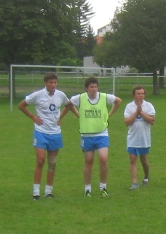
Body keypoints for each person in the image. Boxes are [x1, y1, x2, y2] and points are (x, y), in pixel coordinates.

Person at [65, 77, 121, 197]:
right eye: (91, 87)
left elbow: (118, 101)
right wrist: (77, 114)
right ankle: (87, 189)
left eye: (95, 87)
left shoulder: (104, 97)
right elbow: (68, 104)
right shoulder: (80, 98)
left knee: (103, 159)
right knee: (88, 161)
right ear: (86, 88)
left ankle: (103, 187)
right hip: (87, 135)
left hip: (102, 134)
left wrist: (109, 114)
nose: (94, 89)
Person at [18, 72, 67, 200]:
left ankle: (48, 191)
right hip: (41, 132)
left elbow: (68, 105)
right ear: (45, 83)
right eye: (51, 82)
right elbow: (21, 105)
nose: (53, 85)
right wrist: (33, 117)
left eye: (55, 82)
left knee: (52, 163)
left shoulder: (61, 95)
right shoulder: (37, 95)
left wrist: (60, 117)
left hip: (55, 133)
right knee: (40, 160)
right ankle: (36, 192)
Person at [124, 85, 155, 189]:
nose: (141, 95)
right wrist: (136, 112)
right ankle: (134, 183)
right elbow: (127, 122)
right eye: (138, 94)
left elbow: (152, 121)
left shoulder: (148, 105)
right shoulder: (129, 106)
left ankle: (146, 177)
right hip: (132, 138)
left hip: (144, 138)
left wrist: (141, 112)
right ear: (134, 95)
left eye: (142, 93)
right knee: (132, 159)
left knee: (143, 160)